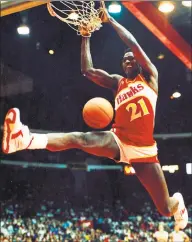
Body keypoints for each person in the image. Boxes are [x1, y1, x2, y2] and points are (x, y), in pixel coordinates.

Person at [2, 5, 188, 229]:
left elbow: (134, 45)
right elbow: (87, 70)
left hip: (145, 150)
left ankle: (178, 202)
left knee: (165, 209)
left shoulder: (150, 78)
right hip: (118, 140)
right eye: (125, 59)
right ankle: (24, 139)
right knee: (80, 139)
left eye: (132, 59)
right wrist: (85, 36)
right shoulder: (118, 83)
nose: (129, 60)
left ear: (139, 63)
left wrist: (110, 21)